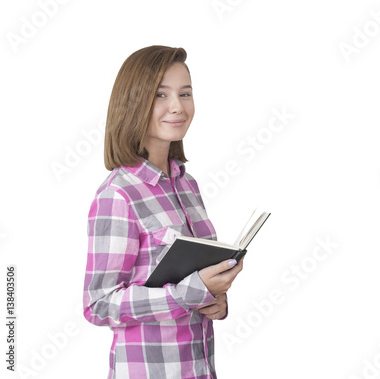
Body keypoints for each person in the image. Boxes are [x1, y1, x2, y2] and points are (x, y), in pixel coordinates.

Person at [82, 45, 244, 379]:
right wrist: (187, 294)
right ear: (133, 101)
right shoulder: (118, 194)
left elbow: (192, 280)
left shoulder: (187, 184)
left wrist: (214, 300)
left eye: (185, 93)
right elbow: (98, 304)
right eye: (160, 94)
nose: (177, 106)